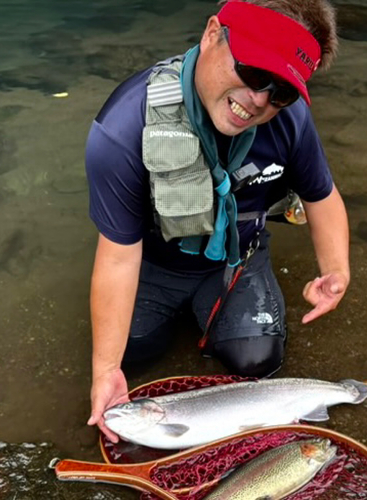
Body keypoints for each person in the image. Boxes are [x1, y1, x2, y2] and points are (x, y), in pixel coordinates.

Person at [86, 0, 349, 443]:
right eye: (253, 71)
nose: (260, 100)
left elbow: (321, 195)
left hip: (238, 259)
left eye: (281, 90)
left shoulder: (291, 121)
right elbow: (116, 258)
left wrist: (336, 269)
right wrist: (106, 368)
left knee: (258, 360)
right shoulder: (123, 129)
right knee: (129, 352)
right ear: (212, 34)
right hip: (153, 263)